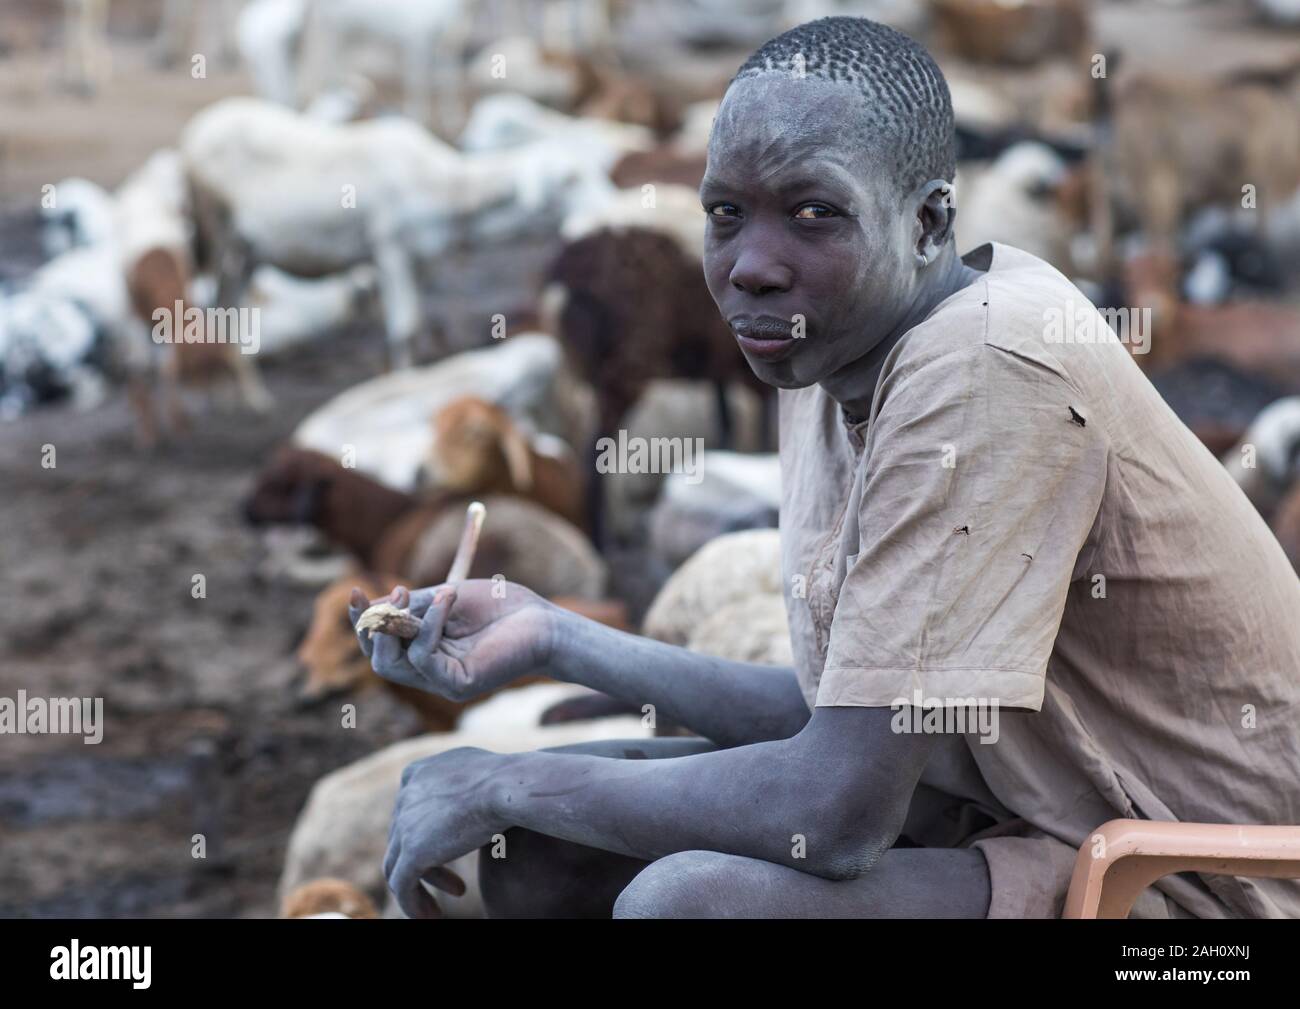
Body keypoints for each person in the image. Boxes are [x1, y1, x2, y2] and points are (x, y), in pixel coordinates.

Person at [352, 16, 1300, 919]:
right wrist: (553, 635)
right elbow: (848, 716)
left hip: (1201, 892)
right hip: (1037, 819)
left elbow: (833, 815)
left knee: (682, 903)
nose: (752, 265)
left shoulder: (985, 368)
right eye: (727, 214)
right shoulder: (826, 353)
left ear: (929, 223)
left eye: (814, 214)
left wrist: (504, 772)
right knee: (539, 844)